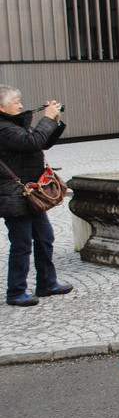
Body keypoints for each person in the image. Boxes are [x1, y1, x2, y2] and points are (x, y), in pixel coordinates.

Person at [0, 85, 72, 307]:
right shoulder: (3, 129)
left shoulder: (14, 124)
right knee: (21, 244)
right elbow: (32, 142)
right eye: (16, 102)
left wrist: (55, 122)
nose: (21, 105)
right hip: (13, 195)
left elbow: (42, 142)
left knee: (44, 237)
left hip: (29, 193)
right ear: (1, 107)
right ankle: (16, 292)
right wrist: (47, 118)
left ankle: (47, 283)